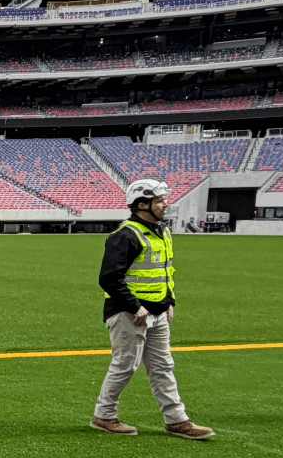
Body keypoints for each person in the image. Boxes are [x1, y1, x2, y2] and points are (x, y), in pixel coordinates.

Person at [91, 178, 213, 439]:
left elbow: (164, 273)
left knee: (163, 366)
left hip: (158, 311)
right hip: (128, 313)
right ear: (142, 205)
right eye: (159, 201)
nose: (165, 204)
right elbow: (109, 278)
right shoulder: (125, 235)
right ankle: (104, 416)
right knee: (125, 365)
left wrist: (169, 302)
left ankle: (177, 420)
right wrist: (135, 306)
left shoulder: (162, 232)